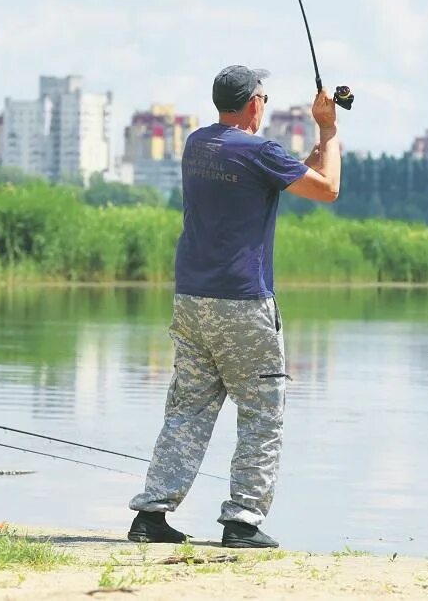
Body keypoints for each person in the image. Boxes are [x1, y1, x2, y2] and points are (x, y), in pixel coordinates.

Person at [127, 64, 341, 549]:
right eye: (263, 97)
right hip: (243, 303)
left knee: (187, 409)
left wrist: (307, 154)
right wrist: (328, 129)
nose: (264, 104)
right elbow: (328, 189)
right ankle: (242, 522)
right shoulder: (260, 151)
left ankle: (152, 515)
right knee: (263, 412)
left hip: (191, 300)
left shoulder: (197, 144)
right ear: (253, 104)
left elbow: (278, 177)